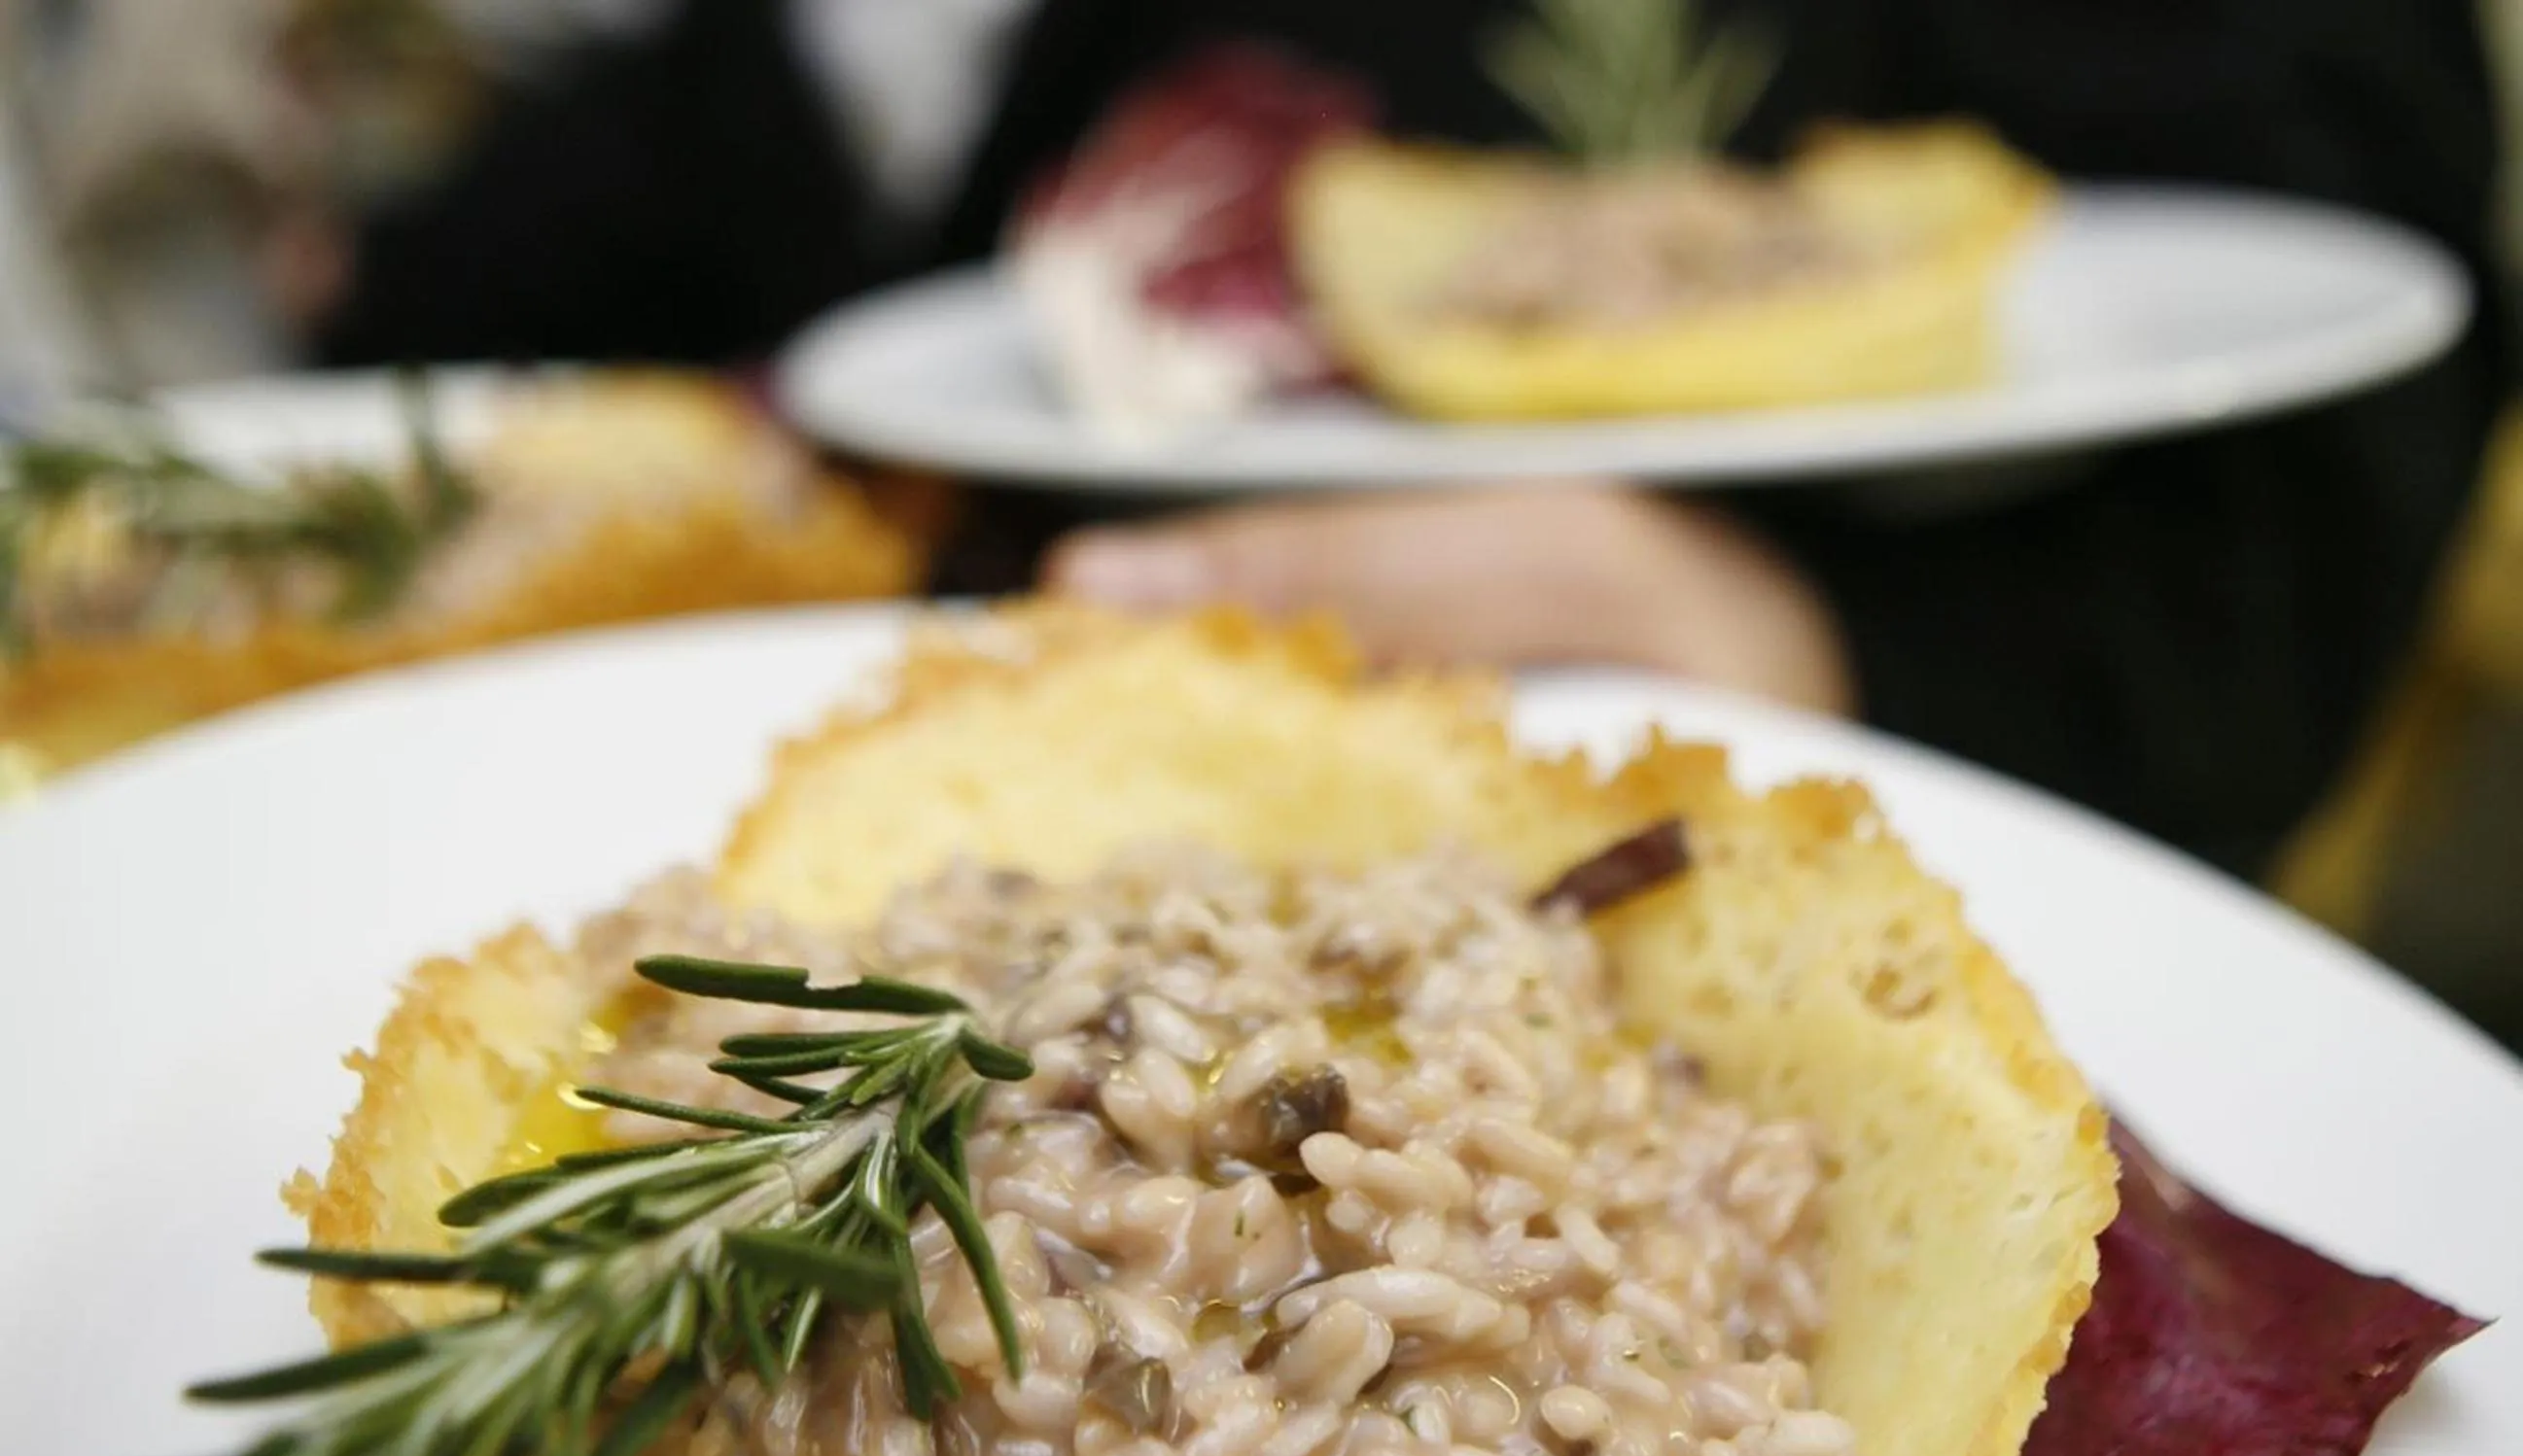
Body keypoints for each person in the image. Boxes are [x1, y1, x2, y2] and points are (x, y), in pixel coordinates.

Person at [308, 0, 2511, 881]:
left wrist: (1808, 633)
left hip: (1849, 829)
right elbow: (968, 256)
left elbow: (2336, 439)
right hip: (992, 786)